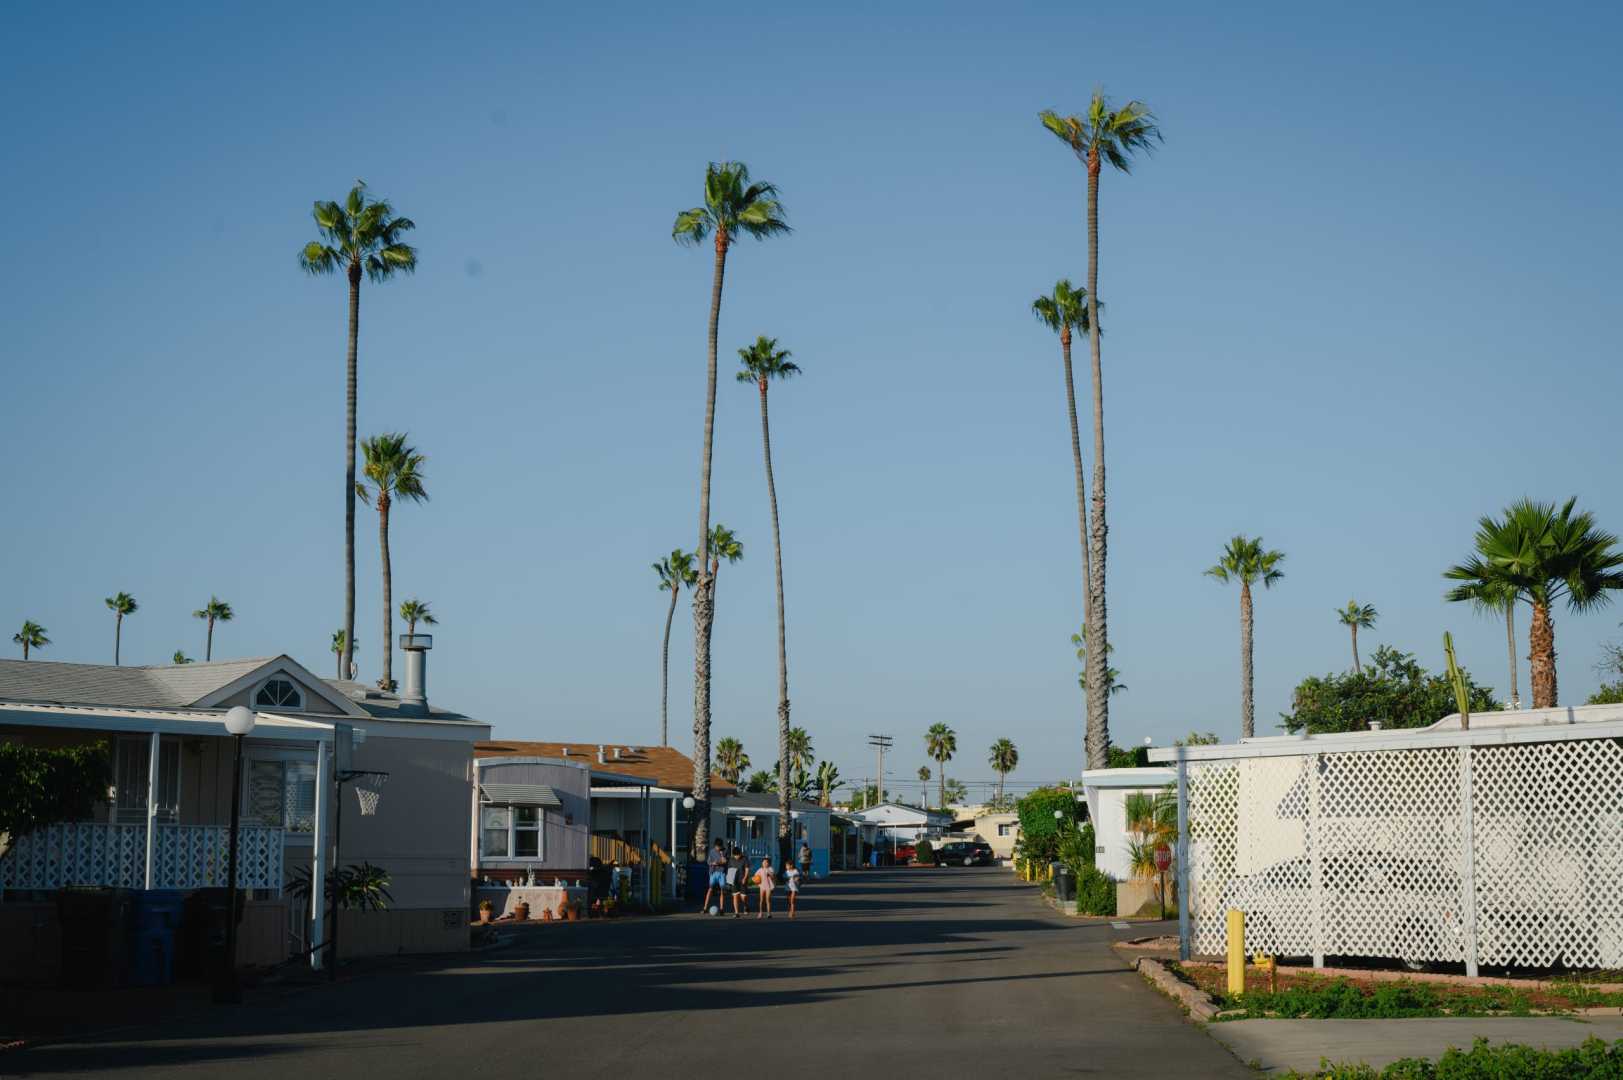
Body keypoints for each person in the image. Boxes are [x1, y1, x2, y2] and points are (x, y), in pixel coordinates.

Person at [702, 839, 727, 914]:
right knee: (710, 889)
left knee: (722, 890)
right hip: (713, 872)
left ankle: (722, 909)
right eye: (716, 847)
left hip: (721, 873)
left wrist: (721, 855)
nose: (717, 848)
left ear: (721, 846)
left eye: (719, 847)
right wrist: (713, 863)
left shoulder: (725, 851)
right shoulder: (712, 851)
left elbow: (725, 861)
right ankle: (705, 908)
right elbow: (708, 862)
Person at [727, 846, 749, 917]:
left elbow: (747, 869)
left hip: (742, 880)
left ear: (740, 853)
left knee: (743, 897)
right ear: (733, 855)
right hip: (734, 881)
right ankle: (736, 913)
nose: (737, 856)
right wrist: (729, 882)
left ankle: (745, 906)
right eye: (735, 855)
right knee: (735, 896)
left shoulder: (744, 859)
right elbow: (729, 870)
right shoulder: (731, 860)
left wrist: (745, 878)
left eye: (738, 855)